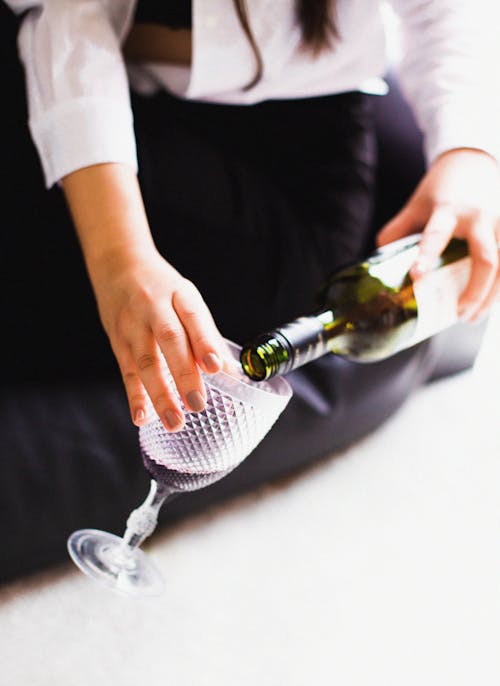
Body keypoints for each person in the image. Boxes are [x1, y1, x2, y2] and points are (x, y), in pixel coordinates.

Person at [0, 0, 499, 579]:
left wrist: (470, 153)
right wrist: (118, 254)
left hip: (294, 162)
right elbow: (64, 15)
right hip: (113, 94)